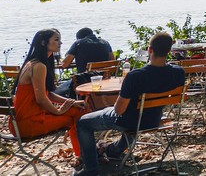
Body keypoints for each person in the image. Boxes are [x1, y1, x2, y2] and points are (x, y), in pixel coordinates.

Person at [74, 32, 185, 176]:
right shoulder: (178, 72)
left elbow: (119, 111)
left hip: (131, 121)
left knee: (83, 123)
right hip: (154, 119)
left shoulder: (135, 76)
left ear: (150, 50)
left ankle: (91, 169)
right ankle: (112, 151)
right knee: (131, 114)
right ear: (169, 51)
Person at [11, 29, 86, 166]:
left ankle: (84, 155)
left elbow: (48, 93)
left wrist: (72, 102)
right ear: (43, 42)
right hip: (28, 123)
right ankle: (84, 156)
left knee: (80, 109)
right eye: (56, 40)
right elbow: (41, 99)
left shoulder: (33, 63)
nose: (60, 43)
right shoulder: (38, 66)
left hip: (19, 123)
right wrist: (58, 111)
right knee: (77, 117)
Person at [55, 27, 114, 97]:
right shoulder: (106, 43)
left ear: (79, 38)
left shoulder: (78, 43)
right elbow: (112, 61)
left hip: (84, 81)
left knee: (56, 91)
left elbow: (65, 64)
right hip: (104, 80)